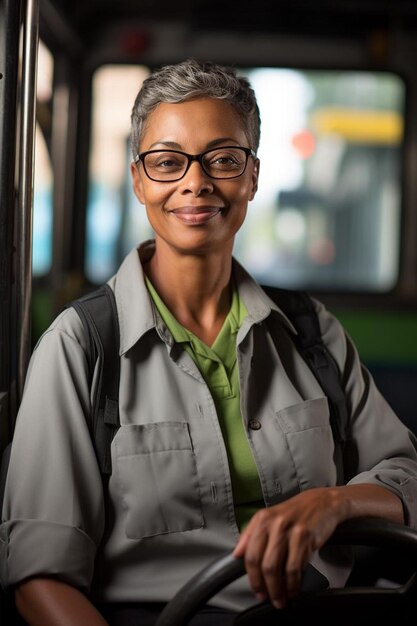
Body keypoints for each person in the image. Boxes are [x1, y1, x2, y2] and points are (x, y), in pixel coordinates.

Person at [1, 59, 417, 626]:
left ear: (251, 176)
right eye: (168, 162)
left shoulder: (311, 331)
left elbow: (405, 472)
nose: (196, 183)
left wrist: (333, 502)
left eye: (223, 159)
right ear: (139, 179)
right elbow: (40, 579)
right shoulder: (81, 347)